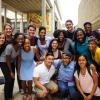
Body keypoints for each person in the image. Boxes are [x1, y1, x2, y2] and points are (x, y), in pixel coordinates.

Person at [5, 33, 24, 100]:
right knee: (9, 79)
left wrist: (18, 72)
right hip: (4, 62)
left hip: (11, 62)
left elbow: (19, 60)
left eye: (22, 39)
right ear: (15, 39)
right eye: (19, 38)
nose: (21, 40)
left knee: (12, 79)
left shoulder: (20, 47)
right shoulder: (9, 47)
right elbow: (7, 60)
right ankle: (7, 97)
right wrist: (11, 71)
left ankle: (10, 95)